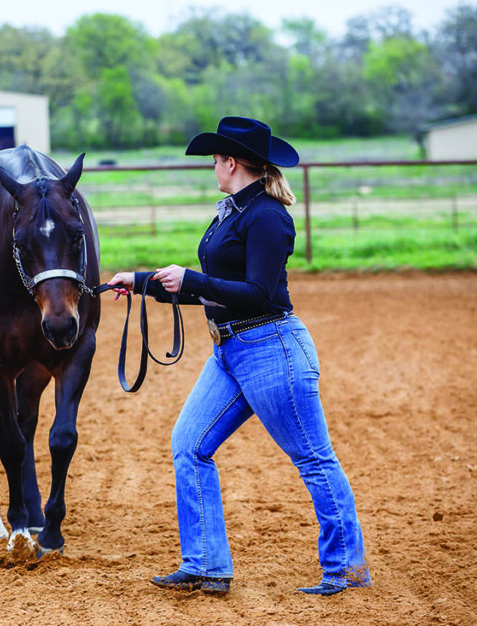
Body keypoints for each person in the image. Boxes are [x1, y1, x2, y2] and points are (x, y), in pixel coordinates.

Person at [106, 116, 371, 596]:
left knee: (313, 459)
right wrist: (144, 282)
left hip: (272, 349)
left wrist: (190, 278)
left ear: (231, 162)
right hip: (229, 351)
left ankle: (346, 568)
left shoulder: (268, 216)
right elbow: (214, 292)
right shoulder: (231, 213)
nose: (212, 166)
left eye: (214, 159)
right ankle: (206, 564)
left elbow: (256, 293)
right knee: (189, 445)